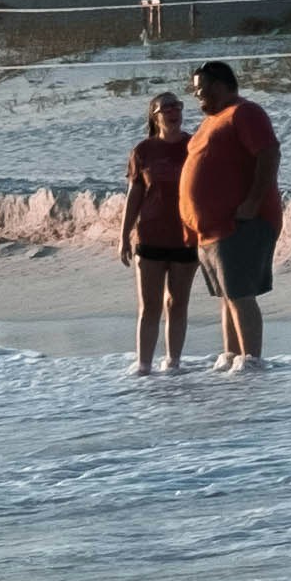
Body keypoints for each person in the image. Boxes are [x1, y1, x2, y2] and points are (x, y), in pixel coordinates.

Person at [179, 55, 284, 368]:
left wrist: (252, 201)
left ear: (222, 86)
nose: (197, 96)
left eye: (202, 90)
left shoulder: (245, 112)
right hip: (210, 229)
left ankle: (251, 361)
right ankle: (232, 356)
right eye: (195, 91)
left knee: (239, 293)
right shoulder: (213, 118)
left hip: (239, 223)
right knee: (227, 296)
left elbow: (269, 154)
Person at [118, 90, 196, 372]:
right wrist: (124, 235)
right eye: (166, 108)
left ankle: (173, 363)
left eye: (177, 106)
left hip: (186, 236)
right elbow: (134, 194)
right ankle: (143, 367)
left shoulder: (195, 145)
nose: (174, 111)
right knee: (149, 306)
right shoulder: (143, 151)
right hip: (150, 235)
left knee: (177, 303)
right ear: (155, 115)